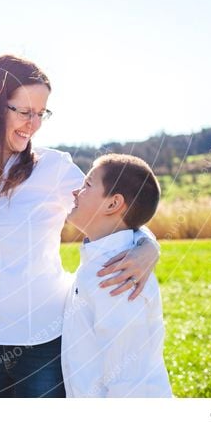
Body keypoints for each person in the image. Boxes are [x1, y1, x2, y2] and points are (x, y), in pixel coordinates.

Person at [0, 55, 161, 398]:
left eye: (42, 113)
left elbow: (114, 208)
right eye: (25, 112)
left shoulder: (53, 168)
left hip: (42, 345)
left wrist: (148, 245)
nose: (34, 124)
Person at [61, 154, 172, 398]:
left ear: (112, 204)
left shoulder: (117, 275)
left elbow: (131, 382)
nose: (75, 192)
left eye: (88, 185)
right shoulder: (98, 262)